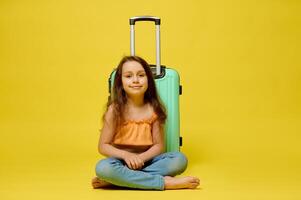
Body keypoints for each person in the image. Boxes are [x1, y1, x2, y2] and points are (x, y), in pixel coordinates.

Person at [92, 55, 200, 190]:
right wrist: (127, 156)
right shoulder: (114, 110)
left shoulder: (154, 109)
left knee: (180, 159)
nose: (135, 80)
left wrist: (141, 158)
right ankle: (163, 183)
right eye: (128, 76)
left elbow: (158, 145)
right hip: (121, 162)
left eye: (141, 75)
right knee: (103, 168)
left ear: (148, 79)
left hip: (148, 161)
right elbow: (103, 146)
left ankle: (118, 180)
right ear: (120, 81)